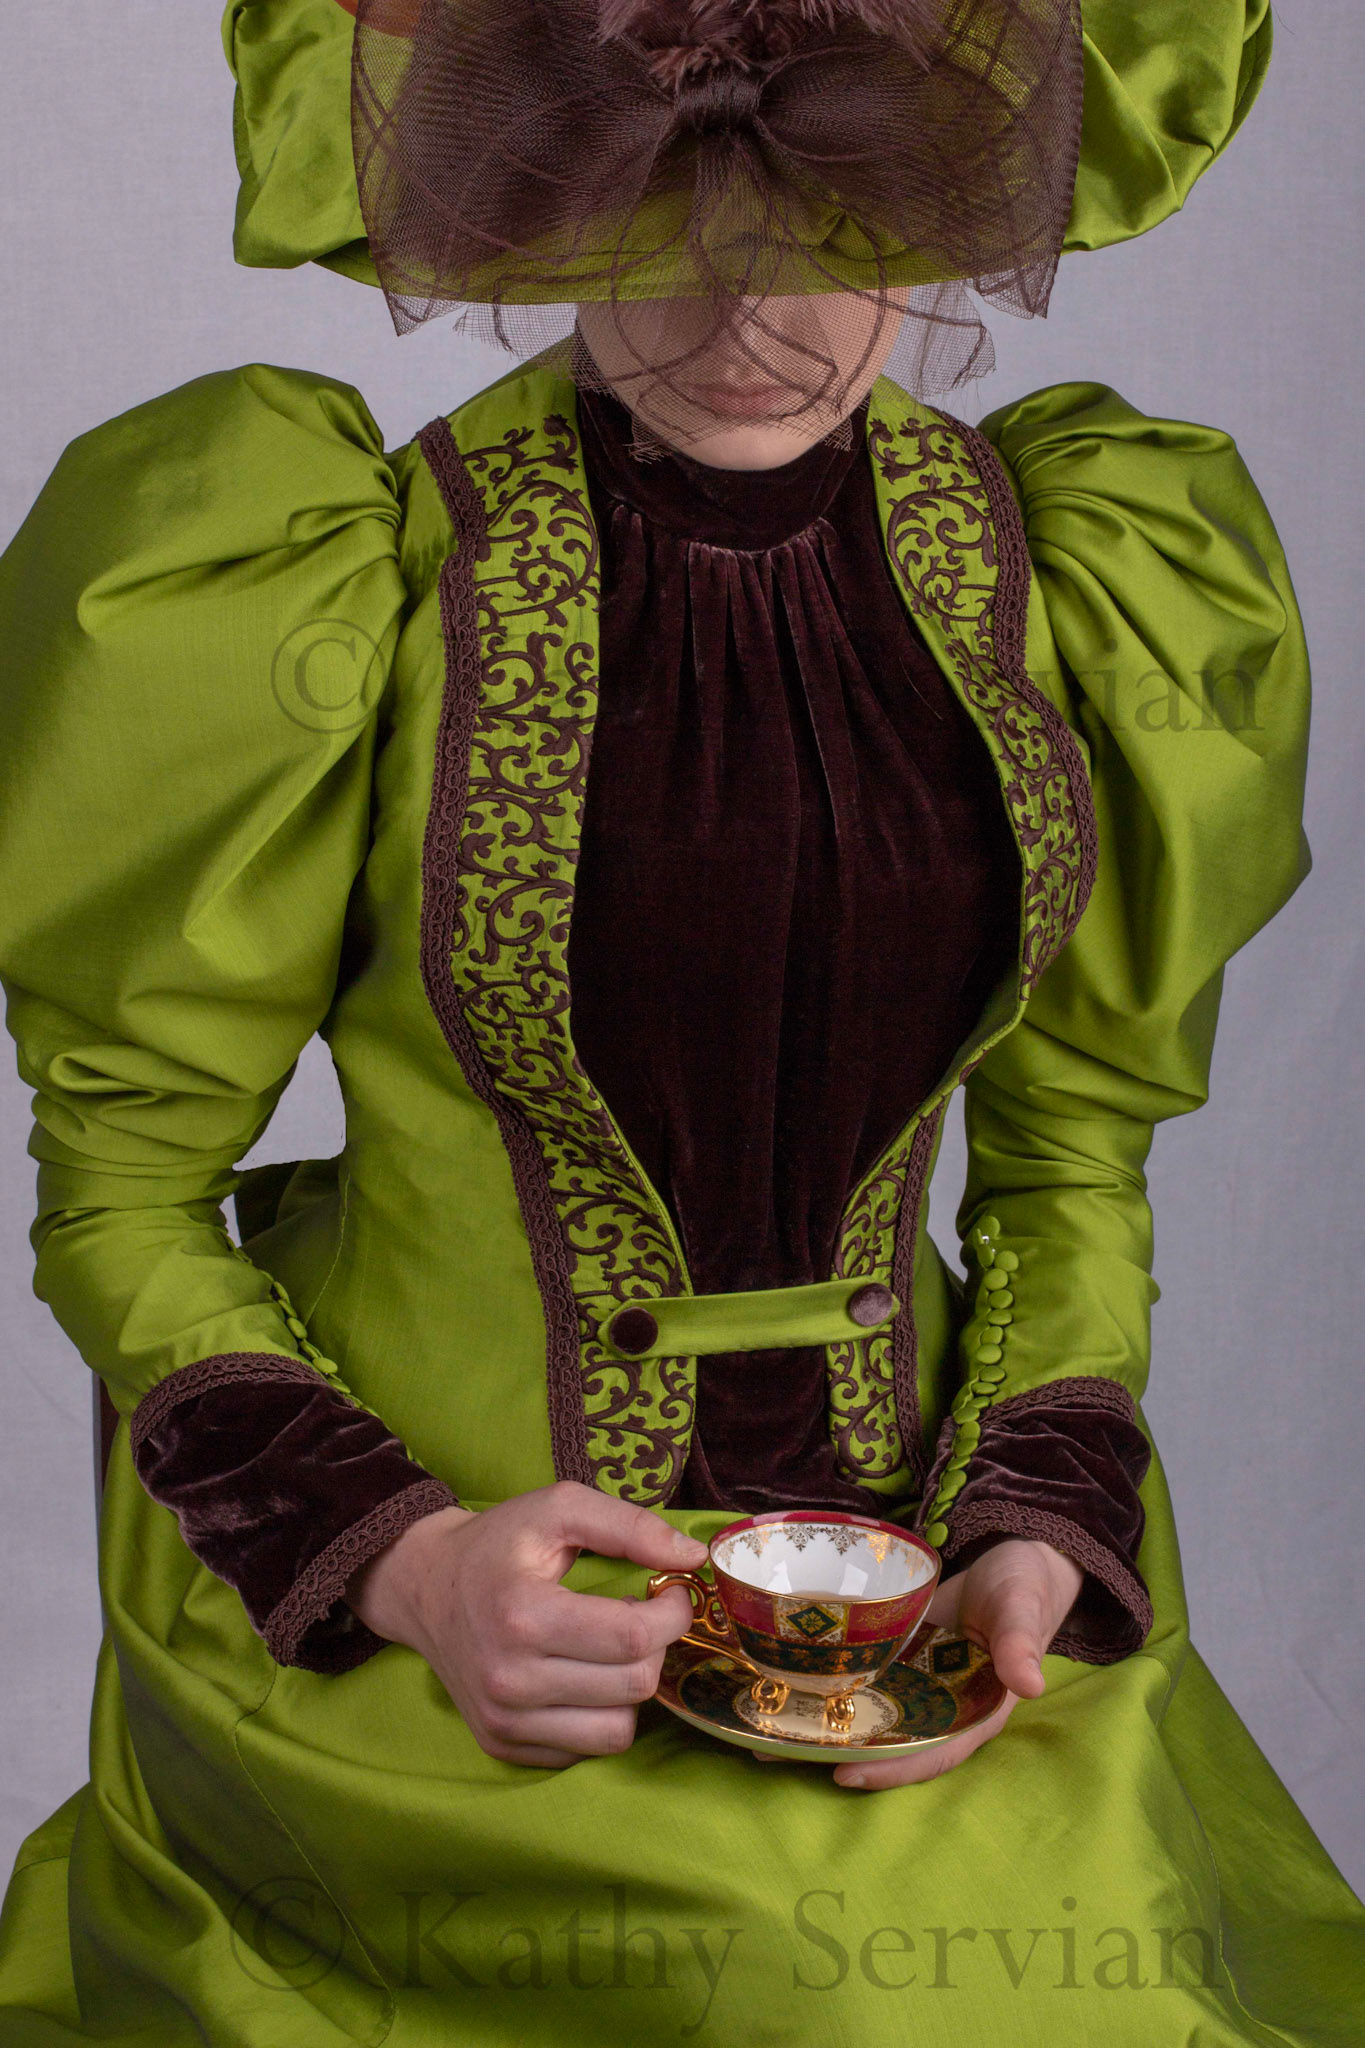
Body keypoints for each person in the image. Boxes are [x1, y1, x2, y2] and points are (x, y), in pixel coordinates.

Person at [0, 0, 1359, 2039]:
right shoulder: (322, 573)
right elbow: (121, 1190)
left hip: (912, 1599)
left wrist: (1034, 1520)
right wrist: (401, 1562)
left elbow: (1072, 1159)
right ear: (547, 192)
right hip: (427, 1596)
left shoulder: (1075, 576)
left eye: (836, 227)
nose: (749, 317)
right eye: (662, 220)